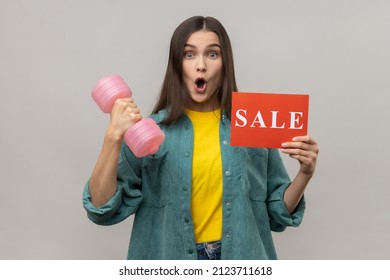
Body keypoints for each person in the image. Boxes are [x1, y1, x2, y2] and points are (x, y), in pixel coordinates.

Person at [82, 16, 319, 260]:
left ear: (225, 63)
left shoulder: (252, 124)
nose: (201, 65)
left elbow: (278, 213)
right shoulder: (150, 131)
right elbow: (101, 208)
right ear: (177, 64)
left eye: (213, 54)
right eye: (189, 54)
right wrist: (113, 137)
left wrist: (305, 172)